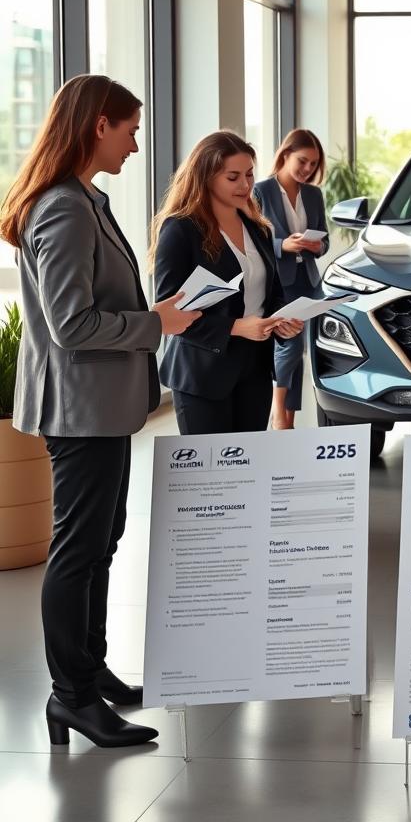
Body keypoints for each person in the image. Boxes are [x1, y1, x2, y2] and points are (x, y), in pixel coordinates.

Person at [0, 75, 200, 747]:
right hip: (79, 408)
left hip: (102, 409)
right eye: (131, 128)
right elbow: (71, 326)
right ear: (97, 127)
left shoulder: (86, 198)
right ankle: (72, 697)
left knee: (99, 543)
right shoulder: (62, 207)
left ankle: (91, 674)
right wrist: (157, 322)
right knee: (78, 550)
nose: (137, 143)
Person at [151, 131, 302, 435]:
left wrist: (281, 319)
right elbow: (168, 313)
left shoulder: (259, 229)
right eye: (233, 177)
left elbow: (272, 293)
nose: (246, 186)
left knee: (249, 472)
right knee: (209, 479)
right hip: (202, 373)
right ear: (205, 176)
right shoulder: (180, 230)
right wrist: (237, 326)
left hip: (255, 370)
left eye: (248, 175)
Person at [252, 129, 331, 429]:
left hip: (308, 281)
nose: (308, 169)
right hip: (278, 283)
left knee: (300, 351)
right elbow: (253, 239)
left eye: (313, 164)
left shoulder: (313, 194)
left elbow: (325, 242)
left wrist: (316, 245)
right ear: (285, 154)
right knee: (290, 345)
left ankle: (288, 418)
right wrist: (282, 246)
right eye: (303, 161)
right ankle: (278, 410)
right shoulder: (261, 191)